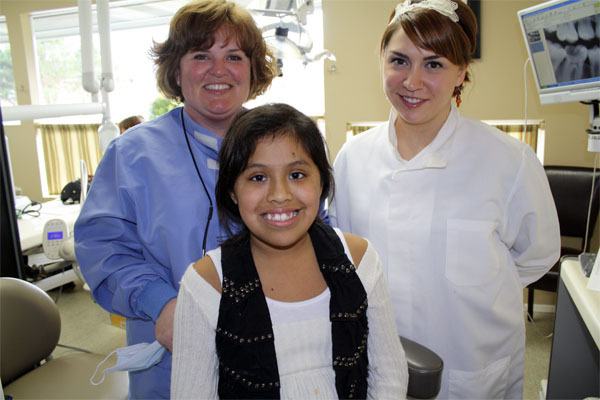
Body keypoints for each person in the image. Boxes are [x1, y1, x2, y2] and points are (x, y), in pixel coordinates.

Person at [330, 0, 561, 398]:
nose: (412, 81)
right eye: (399, 60)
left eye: (433, 64)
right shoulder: (353, 159)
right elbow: (347, 259)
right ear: (381, 61)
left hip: (471, 365)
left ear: (461, 73)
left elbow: (537, 255)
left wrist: (471, 288)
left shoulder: (508, 160)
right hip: (382, 364)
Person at [74, 0, 277, 397]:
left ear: (252, 69)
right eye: (201, 55)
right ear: (176, 70)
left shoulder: (281, 146)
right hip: (170, 355)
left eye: (233, 56)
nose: (218, 70)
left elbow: (316, 232)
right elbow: (103, 247)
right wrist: (162, 304)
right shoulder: (133, 154)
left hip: (271, 348)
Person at [171, 103, 408, 399]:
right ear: (232, 190)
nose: (280, 195)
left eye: (297, 175)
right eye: (258, 177)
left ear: (321, 181)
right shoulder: (206, 283)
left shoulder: (359, 260)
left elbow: (389, 376)